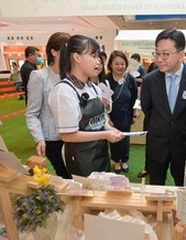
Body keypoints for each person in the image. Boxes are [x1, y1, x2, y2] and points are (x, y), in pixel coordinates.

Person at [48, 35, 123, 177]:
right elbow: (68, 135)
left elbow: (100, 119)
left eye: (99, 57)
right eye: (93, 56)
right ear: (77, 57)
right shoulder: (63, 91)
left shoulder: (93, 87)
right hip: (81, 159)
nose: (99, 61)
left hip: (100, 154)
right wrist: (106, 134)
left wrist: (108, 128)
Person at [141, 28, 186, 186]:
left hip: (182, 144)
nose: (160, 59)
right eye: (157, 53)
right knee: (155, 186)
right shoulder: (149, 80)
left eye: (166, 54)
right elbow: (147, 109)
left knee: (182, 185)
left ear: (181, 55)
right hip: (157, 143)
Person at [25, 32, 71, 179]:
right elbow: (31, 113)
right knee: (65, 176)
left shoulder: (73, 76)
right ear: (54, 51)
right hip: (52, 139)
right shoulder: (39, 77)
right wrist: (39, 138)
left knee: (78, 175)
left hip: (74, 136)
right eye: (67, 49)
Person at [106, 50, 138, 174]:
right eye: (116, 64)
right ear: (111, 65)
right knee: (113, 138)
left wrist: (134, 113)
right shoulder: (106, 79)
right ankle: (116, 161)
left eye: (122, 64)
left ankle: (124, 160)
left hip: (126, 113)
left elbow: (135, 97)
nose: (120, 67)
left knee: (125, 138)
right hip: (112, 114)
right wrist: (108, 118)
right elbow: (104, 101)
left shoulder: (129, 79)